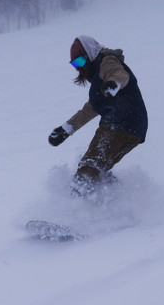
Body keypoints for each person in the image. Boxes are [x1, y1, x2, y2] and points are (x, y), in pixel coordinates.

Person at [48, 35, 148, 198]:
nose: (77, 68)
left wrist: (113, 84)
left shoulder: (107, 61)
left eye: (79, 62)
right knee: (99, 167)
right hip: (133, 127)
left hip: (120, 122)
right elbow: (91, 109)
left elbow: (120, 75)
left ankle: (75, 209)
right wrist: (66, 129)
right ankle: (121, 202)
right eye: (74, 64)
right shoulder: (98, 78)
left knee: (90, 165)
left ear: (89, 54)